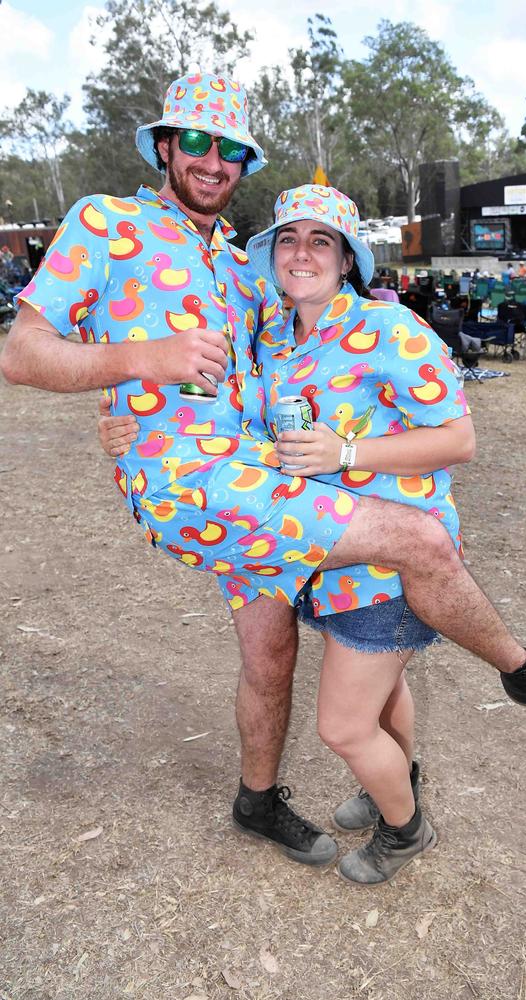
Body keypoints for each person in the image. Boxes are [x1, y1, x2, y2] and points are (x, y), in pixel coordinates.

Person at [1, 73, 526, 872]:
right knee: (416, 539)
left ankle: (256, 799)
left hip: (259, 478)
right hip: (198, 487)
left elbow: (284, 370)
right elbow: (22, 356)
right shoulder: (105, 222)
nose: (212, 161)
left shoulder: (241, 270)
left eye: (230, 150)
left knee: (272, 657)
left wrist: (122, 408)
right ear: (163, 145)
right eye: (194, 141)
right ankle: (524, 673)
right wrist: (136, 366)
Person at [100, 183, 476, 883]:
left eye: (321, 240)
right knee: (384, 687)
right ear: (271, 255)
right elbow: (204, 397)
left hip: (386, 549)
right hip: (315, 547)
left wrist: (348, 455)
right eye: (290, 239)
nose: (303, 252)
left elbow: (459, 439)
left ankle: (406, 829)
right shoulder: (271, 336)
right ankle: (391, 784)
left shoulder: (389, 328)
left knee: (342, 723)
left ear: (346, 260)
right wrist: (125, 424)